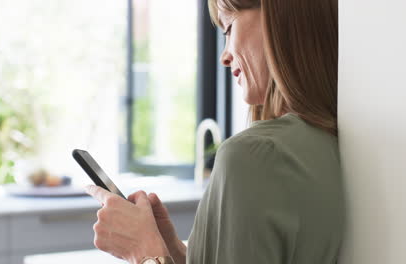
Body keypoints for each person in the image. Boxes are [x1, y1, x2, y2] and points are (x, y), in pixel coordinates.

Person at [84, 0, 344, 263]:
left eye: (228, 27)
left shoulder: (255, 156)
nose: (224, 56)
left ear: (278, 20)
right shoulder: (325, 143)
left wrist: (145, 252)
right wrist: (173, 250)